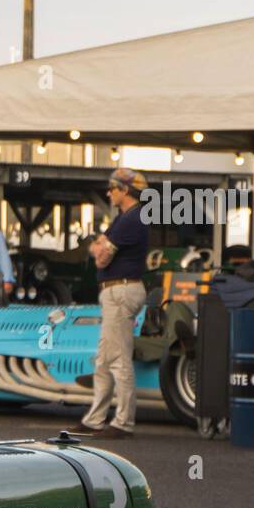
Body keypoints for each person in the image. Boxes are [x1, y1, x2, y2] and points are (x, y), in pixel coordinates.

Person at [81, 167, 151, 440]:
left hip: (120, 290)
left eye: (112, 188)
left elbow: (101, 257)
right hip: (119, 289)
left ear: (125, 190)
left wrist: (99, 246)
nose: (108, 192)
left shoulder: (128, 221)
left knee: (119, 358)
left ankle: (123, 421)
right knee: (104, 358)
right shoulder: (126, 218)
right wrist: (99, 246)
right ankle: (95, 418)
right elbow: (100, 249)